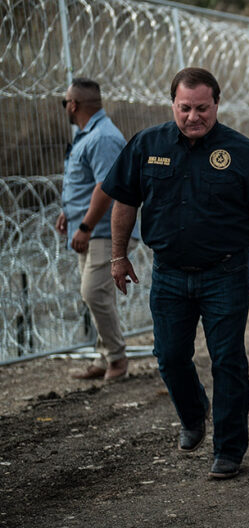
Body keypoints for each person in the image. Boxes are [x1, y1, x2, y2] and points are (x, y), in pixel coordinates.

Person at [102, 67, 249, 480]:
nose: (193, 116)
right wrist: (118, 256)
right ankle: (193, 414)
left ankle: (229, 450)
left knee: (227, 361)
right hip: (168, 274)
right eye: (185, 108)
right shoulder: (147, 146)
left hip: (225, 273)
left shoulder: (242, 151)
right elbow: (125, 202)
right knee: (168, 357)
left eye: (202, 108)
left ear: (216, 105)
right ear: (173, 104)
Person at [55, 77, 137, 381]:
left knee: (93, 293)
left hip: (102, 229)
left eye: (65, 101)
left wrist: (86, 225)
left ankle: (117, 359)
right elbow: (87, 182)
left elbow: (107, 187)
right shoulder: (86, 134)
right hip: (87, 227)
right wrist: (69, 214)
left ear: (73, 105)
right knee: (97, 294)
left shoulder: (102, 137)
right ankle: (105, 358)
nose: (65, 106)